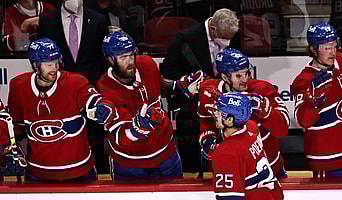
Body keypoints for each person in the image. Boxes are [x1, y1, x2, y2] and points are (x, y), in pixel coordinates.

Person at [93, 32, 201, 180]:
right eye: (123, 57)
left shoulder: (147, 64)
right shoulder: (106, 88)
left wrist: (181, 86)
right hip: (130, 164)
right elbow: (120, 136)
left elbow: (161, 86)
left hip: (166, 154)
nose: (130, 61)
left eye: (131, 55)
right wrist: (137, 128)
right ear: (111, 59)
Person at [7, 38, 111, 182]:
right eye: (49, 64)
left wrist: (102, 107)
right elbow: (15, 128)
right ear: (35, 66)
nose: (55, 68)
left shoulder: (74, 82)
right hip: (38, 174)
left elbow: (94, 99)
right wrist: (11, 149)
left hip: (79, 172)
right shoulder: (18, 86)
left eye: (56, 62)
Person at [159, 8, 240, 173]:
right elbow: (167, 76)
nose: (228, 42)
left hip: (226, 111)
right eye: (224, 38)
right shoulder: (184, 39)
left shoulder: (230, 33)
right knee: (191, 165)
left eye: (230, 38)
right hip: (192, 112)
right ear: (213, 28)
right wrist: (180, 102)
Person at [291, 22, 342, 178]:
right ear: (313, 50)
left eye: (334, 46)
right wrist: (312, 100)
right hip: (329, 162)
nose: (333, 53)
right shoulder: (304, 80)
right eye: (327, 48)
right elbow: (303, 120)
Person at [38, 0, 109, 174]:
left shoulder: (99, 19)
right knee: (62, 146)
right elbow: (42, 61)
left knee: (95, 146)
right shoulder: (47, 22)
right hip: (59, 96)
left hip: (90, 95)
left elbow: (103, 60)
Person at [199, 48, 289, 178]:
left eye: (247, 73)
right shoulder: (209, 91)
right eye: (238, 76)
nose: (245, 79)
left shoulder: (263, 90)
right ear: (224, 77)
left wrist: (265, 110)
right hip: (232, 172)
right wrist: (208, 141)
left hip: (268, 170)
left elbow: (282, 129)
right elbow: (206, 123)